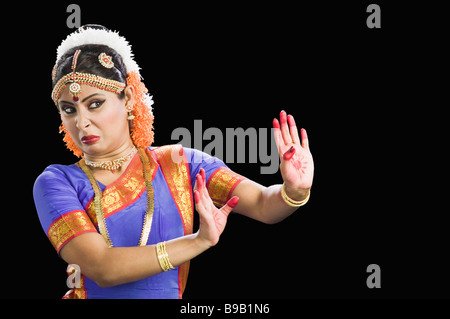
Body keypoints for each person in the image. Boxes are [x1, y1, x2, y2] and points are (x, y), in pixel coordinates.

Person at [33, 25, 314, 299]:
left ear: (128, 98)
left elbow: (264, 205)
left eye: (95, 104)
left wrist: (293, 191)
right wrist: (199, 241)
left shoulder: (179, 163)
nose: (81, 122)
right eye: (69, 110)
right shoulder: (56, 182)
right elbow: (101, 268)